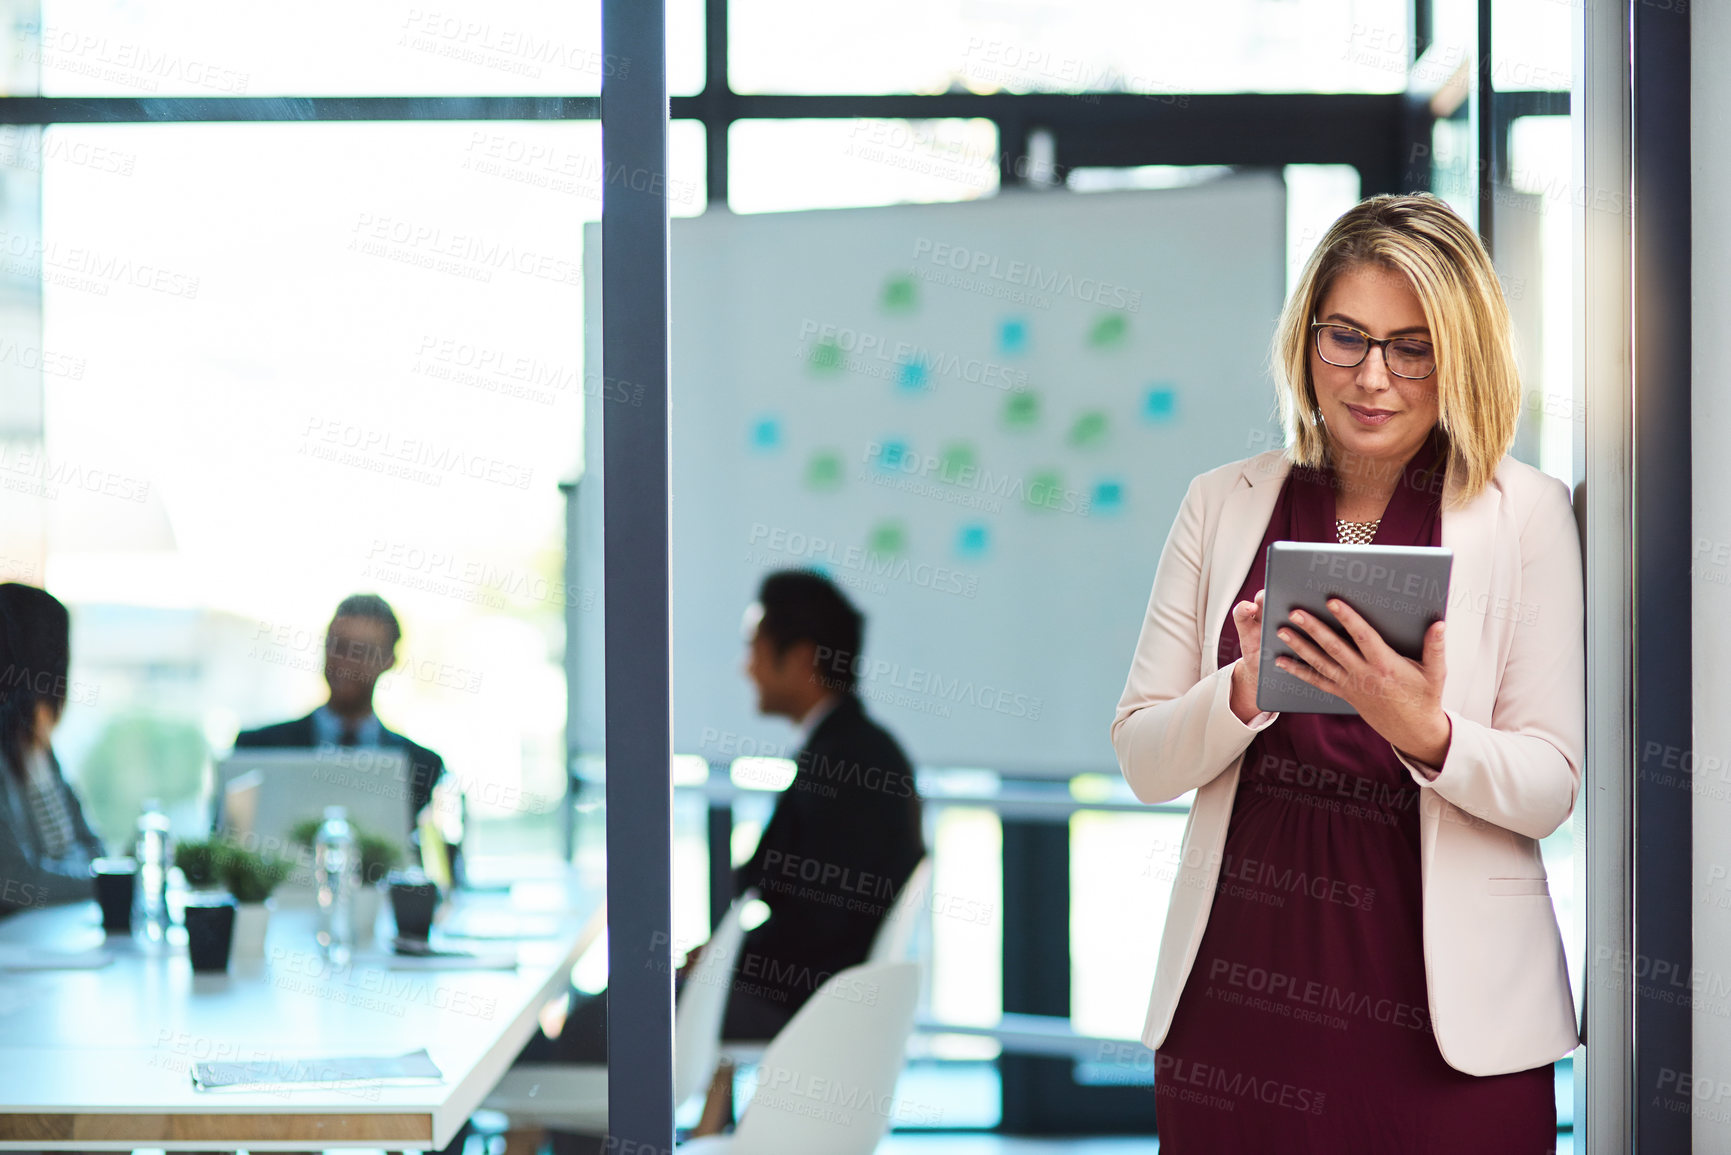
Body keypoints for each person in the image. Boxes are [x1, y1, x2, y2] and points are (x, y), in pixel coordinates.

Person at [1111, 194, 1580, 1151]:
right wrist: (1238, 693)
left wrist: (1424, 730)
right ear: (1305, 338)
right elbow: (1142, 757)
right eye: (1346, 338)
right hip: (1240, 990)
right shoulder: (1221, 501)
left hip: (1449, 1021)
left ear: (1461, 356)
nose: (1372, 377)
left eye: (1412, 347)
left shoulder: (1525, 512)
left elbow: (1550, 785)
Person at [523, 572, 924, 1109]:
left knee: (596, 1029)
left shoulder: (848, 764)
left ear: (801, 659)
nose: (746, 667)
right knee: (607, 1014)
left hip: (799, 998)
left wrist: (728, 963)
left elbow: (824, 924)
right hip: (802, 988)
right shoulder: (854, 749)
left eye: (755, 649)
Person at [234, 593, 445, 828]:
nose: (344, 662)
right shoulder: (258, 749)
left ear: (389, 660)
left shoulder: (422, 767)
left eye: (362, 652)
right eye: (338, 646)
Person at [0, 583, 105, 916]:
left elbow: (93, 847)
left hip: (52, 928)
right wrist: (111, 884)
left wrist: (99, 875)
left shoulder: (39, 748)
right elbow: (16, 882)